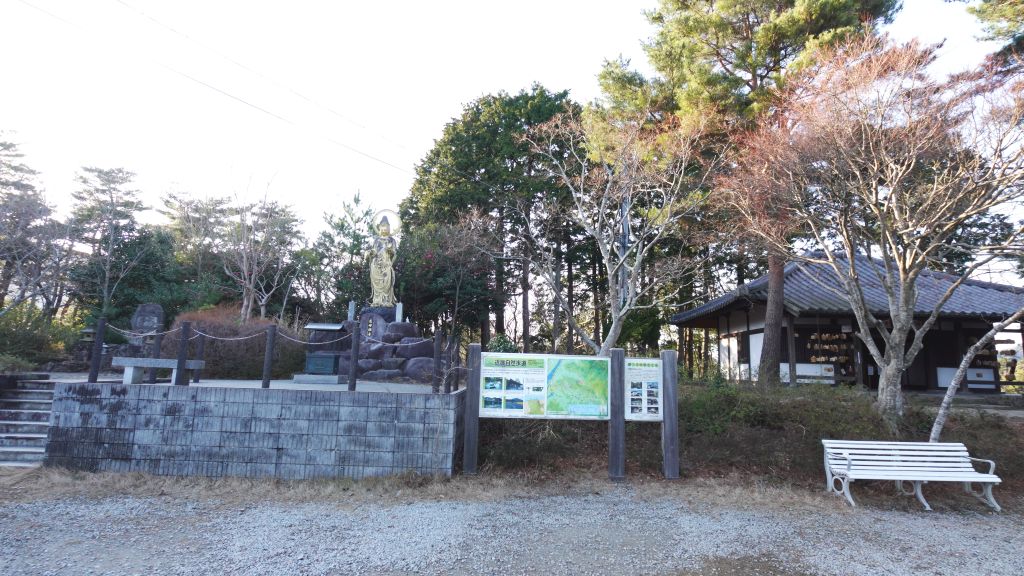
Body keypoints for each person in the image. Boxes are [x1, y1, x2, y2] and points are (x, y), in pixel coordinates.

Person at [367, 215, 397, 307]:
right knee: (376, 281)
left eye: (386, 227)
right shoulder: (377, 240)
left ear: (389, 228)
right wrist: (370, 253)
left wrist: (390, 251)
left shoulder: (391, 240)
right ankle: (376, 300)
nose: (384, 229)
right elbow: (374, 251)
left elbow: (395, 254)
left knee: (387, 280)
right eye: (382, 227)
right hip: (376, 264)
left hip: (386, 264)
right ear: (379, 228)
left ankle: (386, 300)